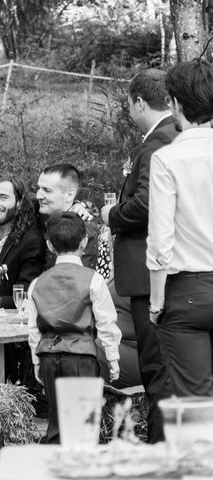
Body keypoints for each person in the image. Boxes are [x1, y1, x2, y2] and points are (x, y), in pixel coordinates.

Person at [100, 69, 177, 443]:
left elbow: (147, 203)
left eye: (130, 106)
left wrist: (111, 215)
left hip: (152, 275)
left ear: (139, 103)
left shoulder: (157, 141)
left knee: (156, 365)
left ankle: (162, 446)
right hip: (166, 273)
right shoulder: (174, 134)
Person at [147, 59, 213, 397]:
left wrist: (156, 303)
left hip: (187, 290)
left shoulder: (168, 159)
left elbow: (161, 240)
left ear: (175, 103)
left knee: (197, 400)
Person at [27, 212, 121, 443]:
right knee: (84, 423)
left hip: (48, 356)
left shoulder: (37, 283)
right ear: (84, 243)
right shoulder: (94, 280)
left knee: (56, 420)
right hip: (81, 357)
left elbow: (33, 329)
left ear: (49, 245)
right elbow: (106, 323)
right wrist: (113, 358)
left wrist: (36, 360)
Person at [0, 174, 45, 309]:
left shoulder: (30, 241)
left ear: (19, 203)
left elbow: (27, 293)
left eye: (3, 197)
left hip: (6, 324)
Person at [35, 164, 99, 271]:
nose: (38, 196)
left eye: (47, 190)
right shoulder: (38, 214)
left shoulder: (83, 230)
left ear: (69, 195)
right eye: (39, 188)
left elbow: (80, 280)